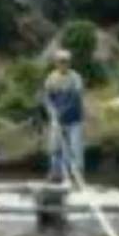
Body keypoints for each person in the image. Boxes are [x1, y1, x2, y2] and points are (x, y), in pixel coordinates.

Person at [43, 49, 84, 183]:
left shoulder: (75, 78)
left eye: (66, 61)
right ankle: (56, 173)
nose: (63, 64)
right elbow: (47, 98)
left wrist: (62, 112)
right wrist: (52, 112)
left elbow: (75, 98)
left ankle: (75, 174)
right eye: (60, 61)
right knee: (55, 147)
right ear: (56, 63)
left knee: (74, 148)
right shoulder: (51, 78)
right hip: (57, 120)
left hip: (73, 119)